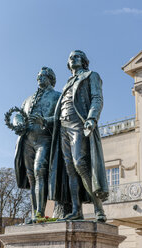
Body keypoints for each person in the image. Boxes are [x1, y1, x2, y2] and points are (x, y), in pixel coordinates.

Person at [49, 50, 109, 222]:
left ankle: (99, 209)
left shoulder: (91, 75)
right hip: (63, 127)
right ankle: (76, 210)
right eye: (70, 57)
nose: (73, 58)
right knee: (70, 170)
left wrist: (92, 117)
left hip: (78, 123)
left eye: (77, 56)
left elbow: (97, 98)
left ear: (83, 61)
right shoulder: (66, 84)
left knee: (80, 164)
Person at [14, 67, 60, 223]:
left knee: (40, 171)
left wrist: (45, 121)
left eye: (43, 76)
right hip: (27, 140)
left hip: (44, 139)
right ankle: (35, 215)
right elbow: (19, 115)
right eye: (38, 76)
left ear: (51, 78)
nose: (39, 79)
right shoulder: (27, 100)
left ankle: (40, 213)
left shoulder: (57, 97)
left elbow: (62, 118)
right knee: (31, 177)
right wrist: (18, 122)